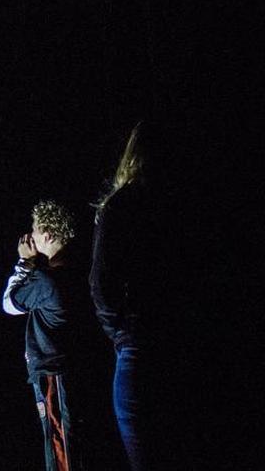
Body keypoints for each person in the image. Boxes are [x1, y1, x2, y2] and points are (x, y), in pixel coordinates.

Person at [89, 122, 167, 470]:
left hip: (137, 344)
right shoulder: (193, 204)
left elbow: (101, 284)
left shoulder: (120, 205)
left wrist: (120, 332)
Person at [2, 200, 85, 471]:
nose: (30, 237)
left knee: (61, 446)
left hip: (53, 374)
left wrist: (24, 262)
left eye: (35, 231)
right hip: (66, 370)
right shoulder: (73, 270)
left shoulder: (48, 280)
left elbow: (10, 303)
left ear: (47, 235)